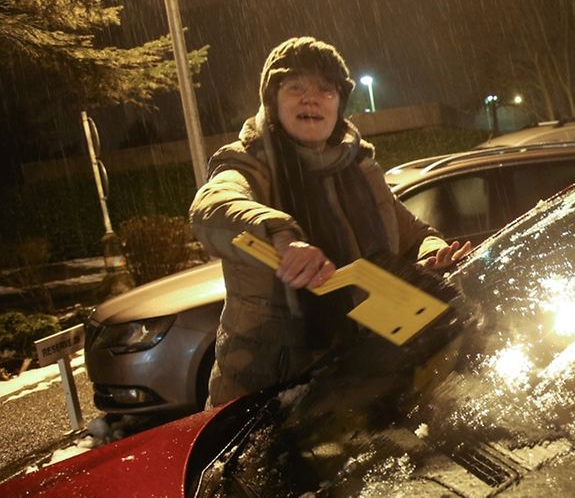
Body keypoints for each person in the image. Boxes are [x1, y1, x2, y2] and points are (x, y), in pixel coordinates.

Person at [190, 36, 471, 406]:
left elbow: (413, 234)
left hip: (365, 378)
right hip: (268, 397)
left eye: (325, 89)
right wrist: (279, 235)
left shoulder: (361, 169)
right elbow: (213, 205)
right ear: (272, 100)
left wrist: (435, 251)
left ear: (340, 103)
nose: (311, 98)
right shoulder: (249, 161)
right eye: (295, 88)